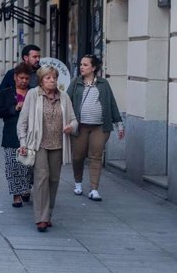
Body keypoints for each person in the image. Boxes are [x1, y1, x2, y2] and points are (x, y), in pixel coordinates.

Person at [17, 66, 78, 232]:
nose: (52, 81)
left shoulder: (64, 97)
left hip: (58, 144)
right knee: (41, 178)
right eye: (48, 78)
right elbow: (23, 121)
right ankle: (40, 218)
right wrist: (23, 142)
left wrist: (70, 127)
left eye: (54, 78)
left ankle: (48, 214)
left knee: (54, 180)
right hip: (39, 144)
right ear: (41, 80)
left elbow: (74, 120)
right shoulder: (33, 94)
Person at [67, 54, 124, 201]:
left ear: (93, 68)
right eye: (81, 64)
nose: (81, 67)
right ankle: (78, 183)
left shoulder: (103, 84)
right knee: (78, 156)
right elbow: (66, 102)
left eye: (85, 65)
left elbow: (112, 103)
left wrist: (119, 124)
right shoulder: (76, 83)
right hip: (80, 127)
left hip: (99, 127)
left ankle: (94, 189)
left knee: (96, 156)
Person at [0, 63, 34, 207]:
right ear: (15, 77)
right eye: (21, 78)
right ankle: (16, 195)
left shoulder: (34, 93)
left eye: (27, 78)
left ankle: (26, 188)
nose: (24, 81)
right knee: (12, 165)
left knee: (28, 165)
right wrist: (14, 108)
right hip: (11, 133)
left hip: (30, 134)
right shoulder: (6, 93)